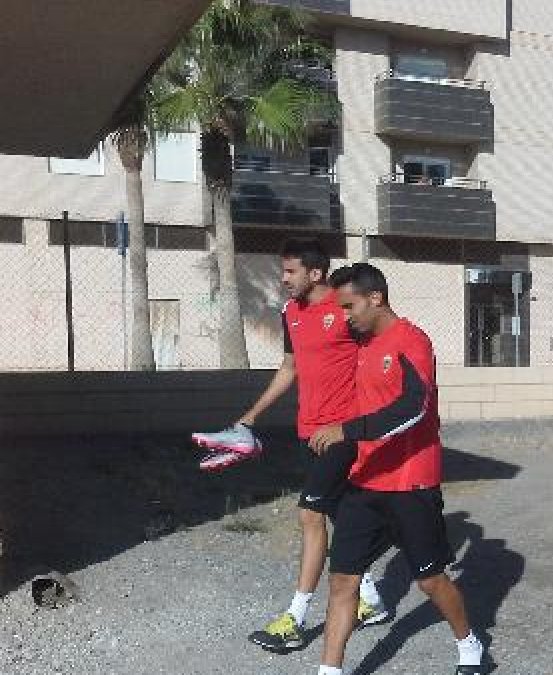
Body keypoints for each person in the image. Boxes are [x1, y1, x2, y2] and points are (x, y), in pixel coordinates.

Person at [190, 239, 388, 652]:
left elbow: (377, 355)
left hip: (341, 434)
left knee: (310, 514)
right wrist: (250, 417)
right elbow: (290, 367)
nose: (283, 280)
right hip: (306, 432)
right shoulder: (291, 313)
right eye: (282, 272)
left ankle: (295, 618)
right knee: (338, 508)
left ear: (315, 274)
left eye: (290, 272)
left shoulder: (347, 306)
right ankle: (369, 599)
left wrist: (361, 422)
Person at [308, 263, 484, 675]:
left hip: (411, 482)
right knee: (342, 581)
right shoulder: (364, 346)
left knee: (430, 581)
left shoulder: (412, 341)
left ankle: (470, 643)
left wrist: (346, 430)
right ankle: (329, 672)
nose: (345, 315)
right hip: (364, 482)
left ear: (376, 298)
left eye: (349, 306)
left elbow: (412, 409)